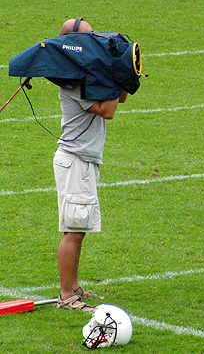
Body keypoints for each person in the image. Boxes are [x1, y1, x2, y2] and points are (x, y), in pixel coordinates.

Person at [54, 18, 128, 311]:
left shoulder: (84, 72)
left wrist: (124, 75)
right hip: (76, 161)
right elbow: (107, 111)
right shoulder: (71, 78)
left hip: (83, 161)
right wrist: (117, 73)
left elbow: (119, 98)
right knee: (73, 230)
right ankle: (67, 297)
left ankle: (74, 289)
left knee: (77, 229)